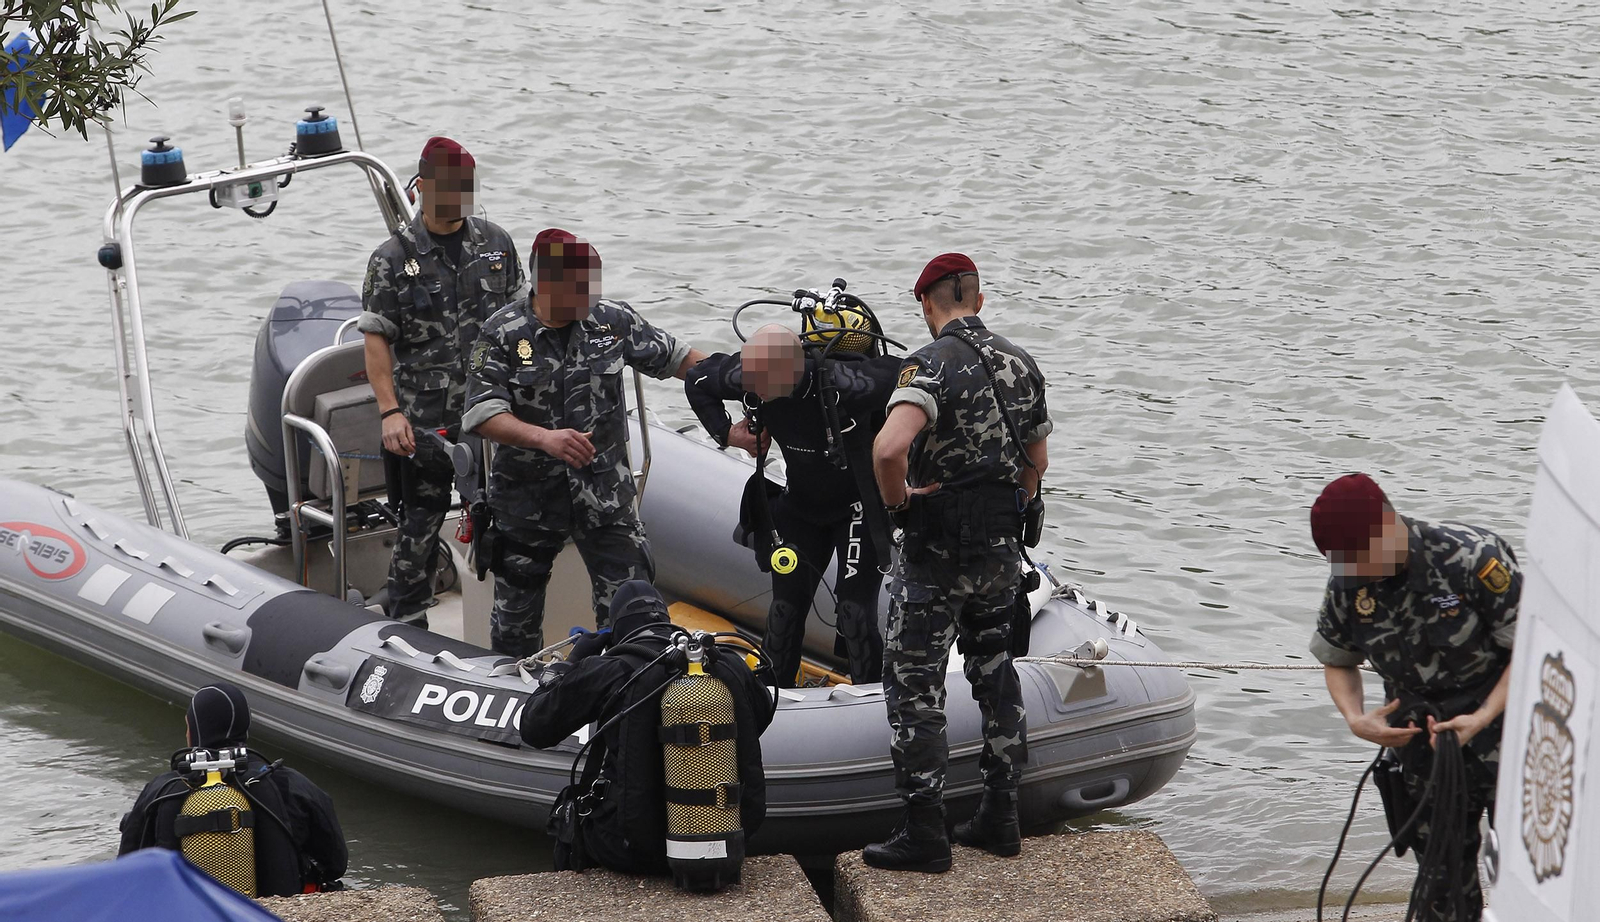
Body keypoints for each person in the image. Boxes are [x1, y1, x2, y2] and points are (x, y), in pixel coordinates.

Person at [862, 253, 1050, 873]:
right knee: (996, 671)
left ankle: (924, 830)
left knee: (915, 681)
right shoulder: (1022, 363)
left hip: (937, 553)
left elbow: (889, 449)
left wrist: (900, 507)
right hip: (1000, 548)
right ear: (978, 297)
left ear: (927, 303)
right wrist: (1013, 509)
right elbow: (1037, 462)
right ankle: (1001, 815)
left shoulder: (929, 365)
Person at [462, 229, 706, 658]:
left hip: (605, 498)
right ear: (545, 283)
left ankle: (628, 692)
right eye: (579, 286)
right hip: (526, 502)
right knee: (515, 625)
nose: (589, 295)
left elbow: (681, 360)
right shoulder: (501, 332)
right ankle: (519, 706)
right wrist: (545, 439)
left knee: (637, 617)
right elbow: (483, 414)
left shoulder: (612, 321)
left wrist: (742, 387)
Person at [1309, 473, 1517, 922]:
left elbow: (1531, 650)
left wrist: (1481, 718)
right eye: (1343, 563)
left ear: (1388, 526)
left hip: (1510, 740)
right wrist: (1355, 718)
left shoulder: (1473, 558)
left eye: (1360, 559)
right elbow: (1337, 658)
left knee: (1524, 878)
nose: (1354, 572)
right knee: (1440, 892)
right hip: (1425, 752)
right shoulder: (1349, 580)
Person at [356, 136, 524, 628]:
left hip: (492, 413)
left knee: (507, 521)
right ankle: (408, 627)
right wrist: (389, 413)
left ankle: (509, 628)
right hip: (424, 423)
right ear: (424, 187)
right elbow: (377, 342)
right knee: (420, 529)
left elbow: (522, 320)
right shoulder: (392, 259)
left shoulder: (495, 245)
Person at [684, 322, 899, 686]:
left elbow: (922, 381)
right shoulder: (749, 374)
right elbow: (697, 381)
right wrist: (727, 433)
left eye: (759, 382)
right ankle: (772, 700)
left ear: (792, 370)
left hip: (858, 509)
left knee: (853, 614)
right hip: (801, 506)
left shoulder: (849, 383)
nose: (748, 389)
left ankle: (871, 704)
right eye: (746, 379)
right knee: (783, 613)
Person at [520, 580, 773, 876]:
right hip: (722, 831)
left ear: (617, 632)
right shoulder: (725, 664)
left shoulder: (610, 669)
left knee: (569, 811)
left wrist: (570, 663)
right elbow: (762, 713)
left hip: (631, 847)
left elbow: (533, 726)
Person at [117, 681, 348, 896]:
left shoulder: (161, 790)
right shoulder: (291, 784)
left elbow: (125, 870)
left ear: (197, 730)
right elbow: (336, 863)